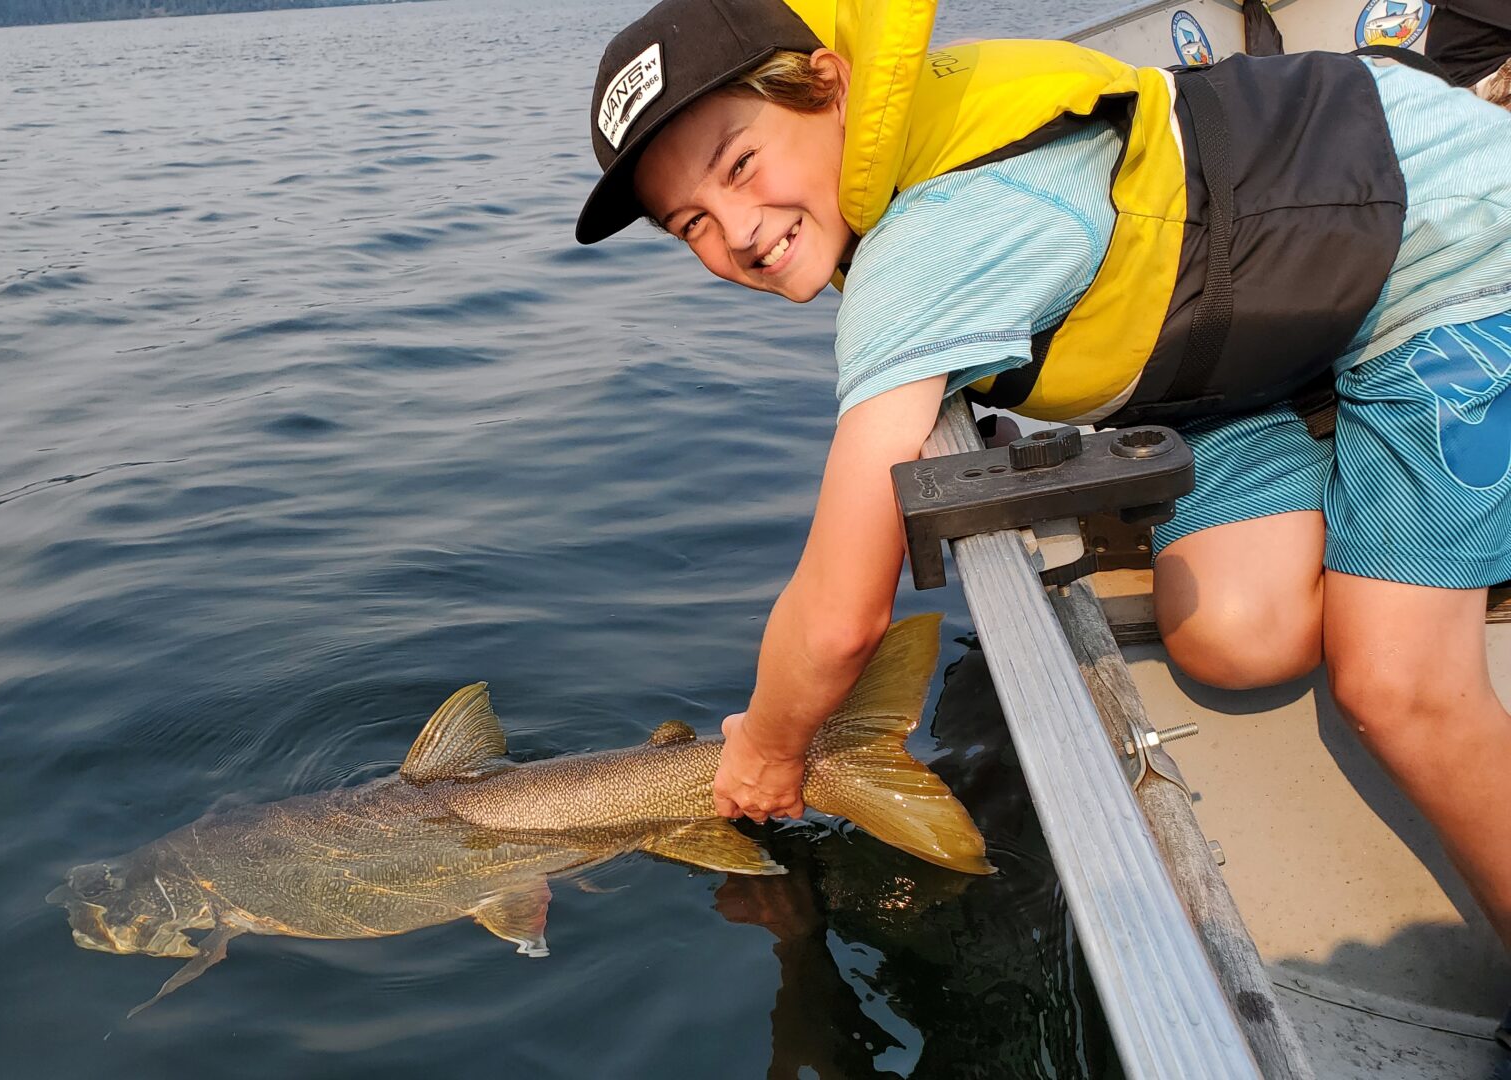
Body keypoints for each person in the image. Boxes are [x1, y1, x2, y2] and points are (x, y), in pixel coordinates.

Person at [574, 0, 1511, 948]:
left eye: (740, 165)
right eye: (691, 220)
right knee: (1237, 638)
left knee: (1397, 689)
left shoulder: (934, 242)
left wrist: (770, 752)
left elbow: (840, 610)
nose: (736, 230)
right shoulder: (887, 174)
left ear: (829, 83)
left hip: (1436, 230)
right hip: (1247, 339)